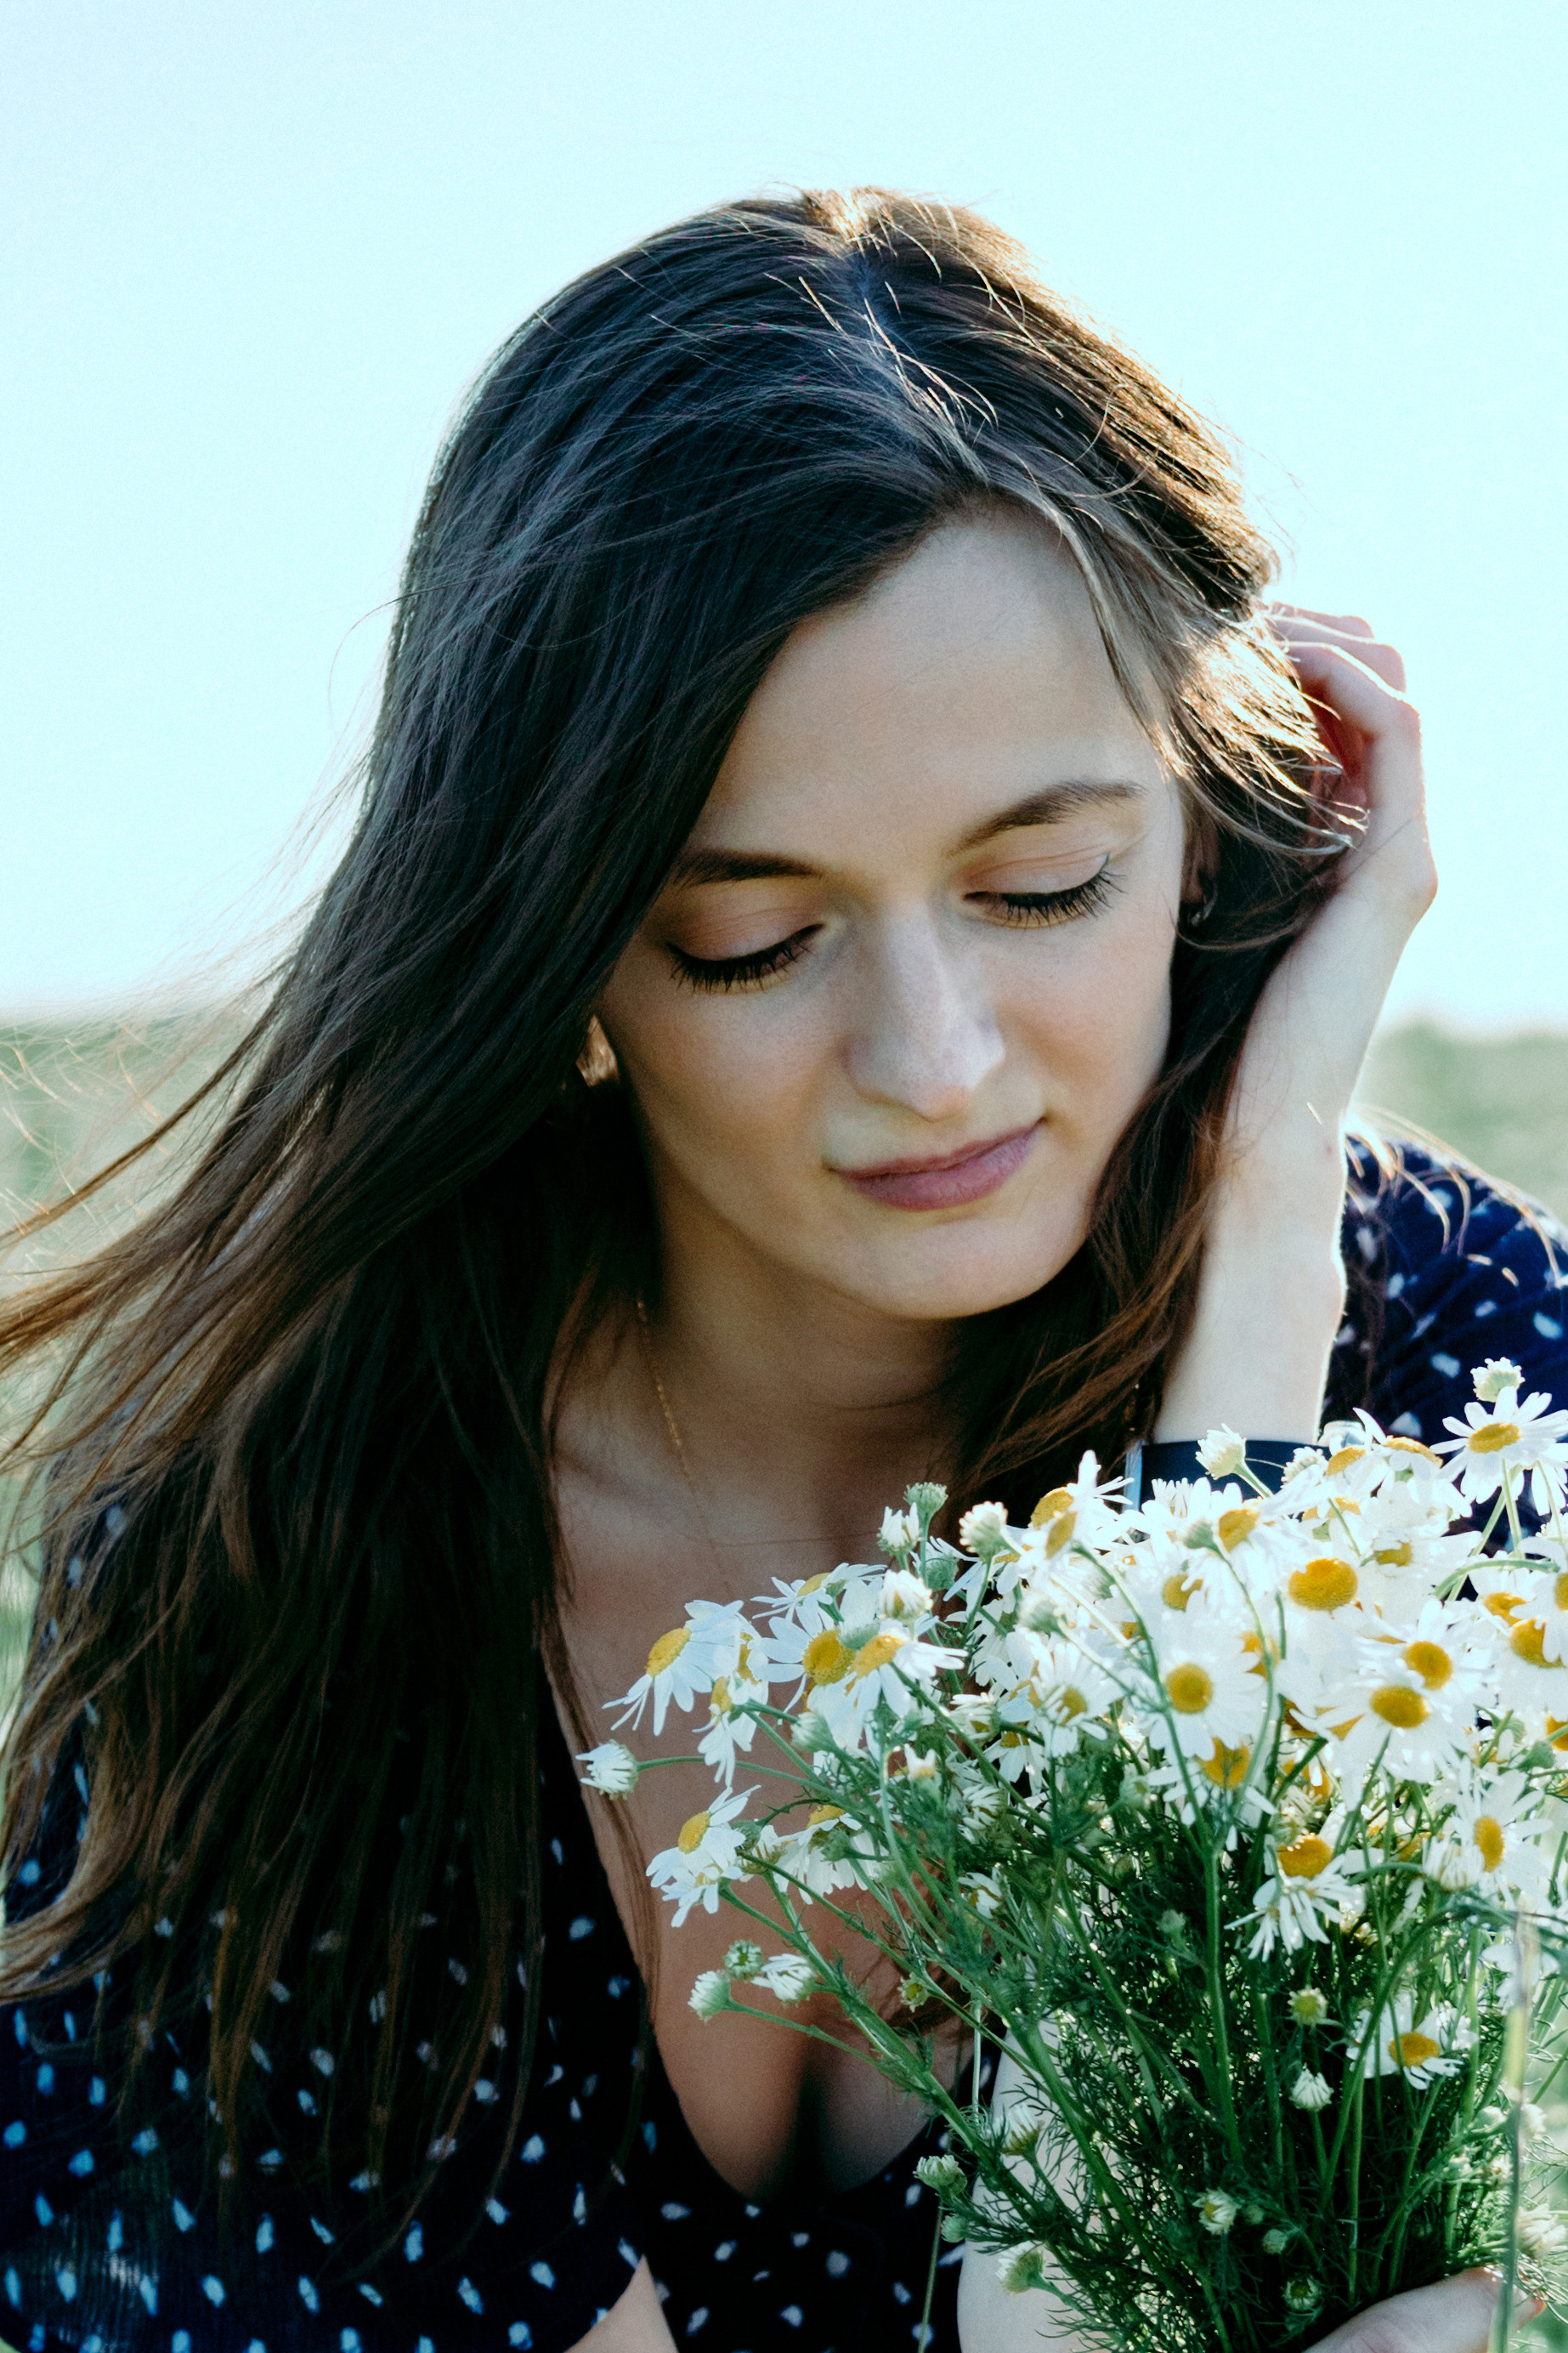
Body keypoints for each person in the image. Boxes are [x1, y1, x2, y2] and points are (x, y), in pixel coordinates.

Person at [0, 189, 1561, 2353]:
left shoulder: (1437, 1369)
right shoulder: (289, 1558)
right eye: (753, 938)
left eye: (1043, 885)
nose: (931, 1067)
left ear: (1212, 829)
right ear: (556, 955)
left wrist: (1255, 1309)